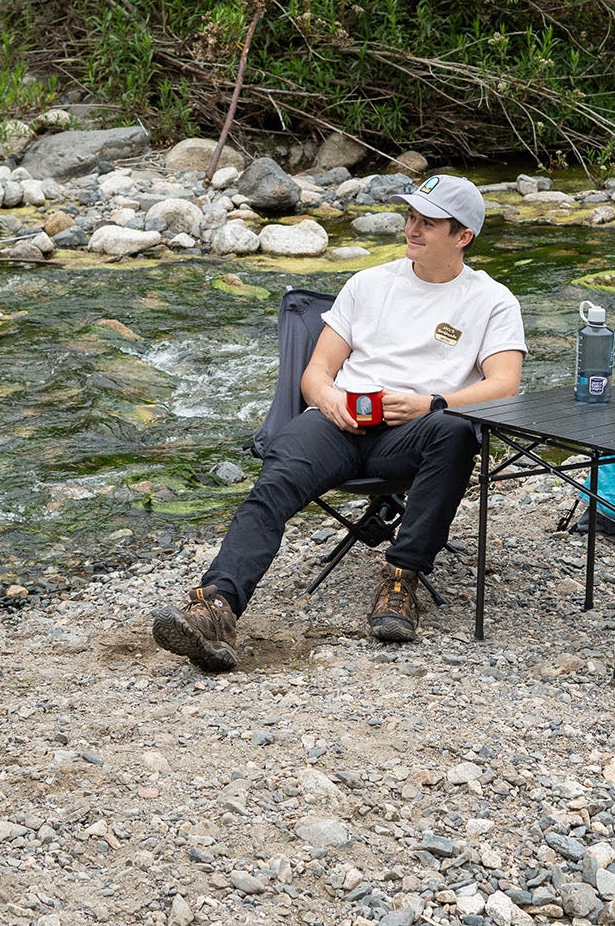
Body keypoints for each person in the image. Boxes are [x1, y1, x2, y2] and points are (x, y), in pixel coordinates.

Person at [153, 173, 526, 673]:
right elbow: (317, 372)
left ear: (463, 237)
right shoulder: (369, 283)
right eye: (411, 218)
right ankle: (216, 607)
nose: (413, 229)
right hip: (338, 420)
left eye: (428, 223)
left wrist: (429, 403)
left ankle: (400, 581)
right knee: (275, 485)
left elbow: (503, 385)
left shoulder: (492, 300)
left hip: (413, 431)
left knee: (456, 430)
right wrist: (328, 400)